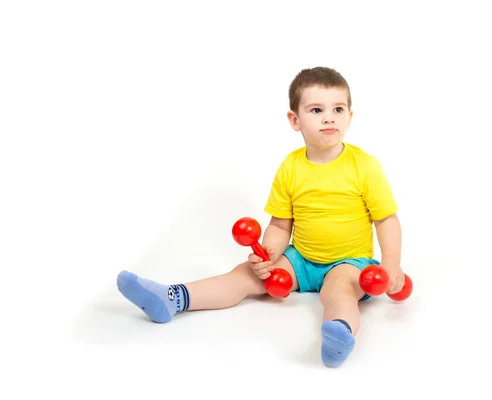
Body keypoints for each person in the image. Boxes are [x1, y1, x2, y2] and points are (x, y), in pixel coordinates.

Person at [116, 66, 405, 368]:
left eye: (338, 109)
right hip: (301, 260)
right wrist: (268, 254)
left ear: (349, 116)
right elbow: (281, 224)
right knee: (247, 274)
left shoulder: (365, 166)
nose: (329, 117)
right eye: (317, 109)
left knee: (338, 289)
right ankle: (173, 298)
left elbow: (386, 219)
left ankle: (339, 334)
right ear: (295, 120)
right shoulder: (290, 168)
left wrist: (391, 263)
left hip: (350, 263)